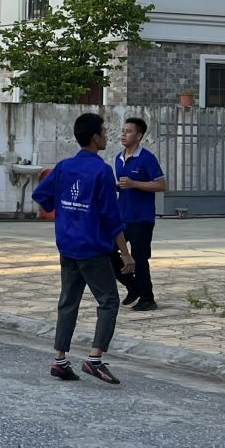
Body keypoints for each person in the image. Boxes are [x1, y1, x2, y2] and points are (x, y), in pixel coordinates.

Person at [32, 113, 134, 384]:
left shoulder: (65, 166)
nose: (107, 135)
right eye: (104, 131)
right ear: (94, 137)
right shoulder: (101, 171)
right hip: (92, 248)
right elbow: (112, 218)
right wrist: (125, 253)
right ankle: (94, 358)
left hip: (67, 246)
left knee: (68, 301)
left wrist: (66, 218)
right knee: (108, 301)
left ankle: (60, 359)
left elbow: (42, 198)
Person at [112, 116, 168, 313]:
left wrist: (135, 184)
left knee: (140, 257)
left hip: (141, 218)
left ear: (139, 135)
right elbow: (121, 186)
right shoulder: (118, 158)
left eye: (128, 131)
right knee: (108, 251)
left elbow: (161, 185)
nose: (123, 134)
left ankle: (147, 298)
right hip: (122, 216)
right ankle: (132, 286)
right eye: (122, 131)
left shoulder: (146, 158)